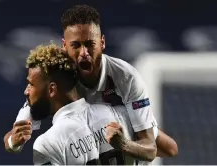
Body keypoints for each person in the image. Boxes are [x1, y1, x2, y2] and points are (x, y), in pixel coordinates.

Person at [3, 4, 178, 158]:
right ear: (65, 46)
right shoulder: (58, 72)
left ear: (102, 43)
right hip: (84, 129)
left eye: (90, 44)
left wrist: (124, 144)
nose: (84, 53)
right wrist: (14, 142)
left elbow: (150, 149)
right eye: (76, 45)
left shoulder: (125, 77)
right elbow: (12, 138)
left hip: (121, 121)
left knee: (170, 148)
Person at [26, 44, 156, 165]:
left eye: (31, 84)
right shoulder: (121, 115)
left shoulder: (47, 144)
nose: (26, 91)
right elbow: (151, 150)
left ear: (52, 90)